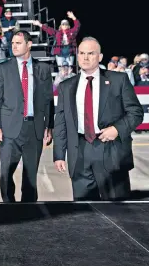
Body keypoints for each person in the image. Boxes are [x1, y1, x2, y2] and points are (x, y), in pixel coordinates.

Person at [53, 37, 143, 200]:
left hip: (111, 152)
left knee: (118, 213)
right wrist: (59, 154)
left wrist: (117, 129)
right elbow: (61, 122)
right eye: (81, 53)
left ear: (100, 57)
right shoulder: (66, 87)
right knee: (84, 214)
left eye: (91, 53)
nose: (85, 57)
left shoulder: (118, 80)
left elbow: (136, 112)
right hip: (79, 153)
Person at [0, 30, 54, 202]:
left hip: (34, 129)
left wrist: (50, 126)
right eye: (12, 43)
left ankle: (28, 210)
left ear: (29, 44)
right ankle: (8, 208)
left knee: (30, 175)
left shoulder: (43, 69)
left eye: (18, 43)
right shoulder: (3, 68)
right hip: (9, 129)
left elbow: (49, 100)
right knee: (6, 173)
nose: (14, 46)